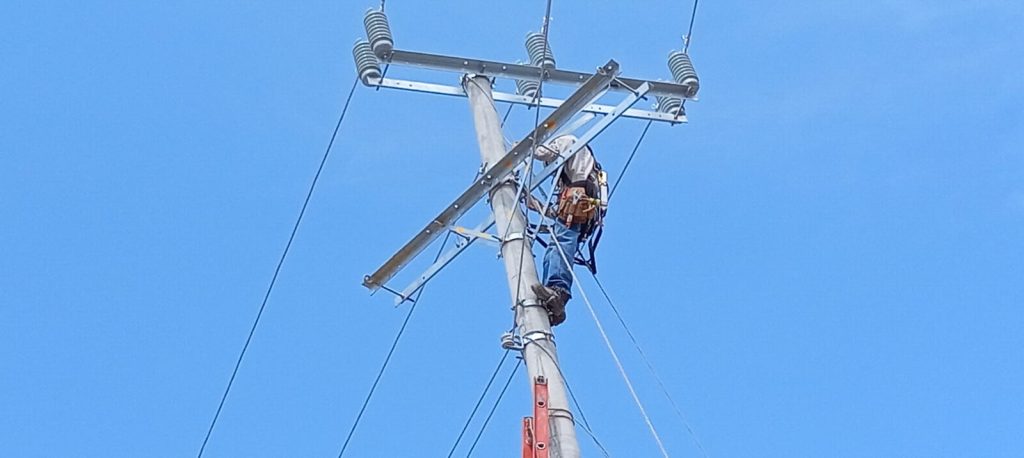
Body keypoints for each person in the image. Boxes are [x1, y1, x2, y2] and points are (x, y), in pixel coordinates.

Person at [527, 135, 607, 326]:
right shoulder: (574, 175)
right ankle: (552, 298)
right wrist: (535, 204)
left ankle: (558, 291)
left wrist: (523, 148)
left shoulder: (567, 142)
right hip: (578, 208)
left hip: (578, 203)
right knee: (555, 248)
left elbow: (544, 152)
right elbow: (557, 215)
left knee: (560, 246)